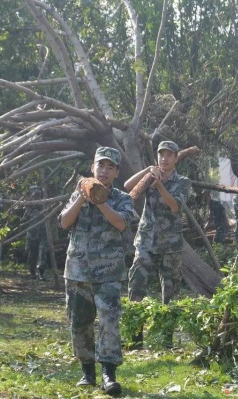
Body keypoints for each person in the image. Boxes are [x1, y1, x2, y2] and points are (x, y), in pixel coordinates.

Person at [59, 147, 135, 396]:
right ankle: (87, 372)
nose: (104, 170)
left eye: (109, 167)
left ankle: (108, 374)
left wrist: (101, 201)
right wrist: (84, 196)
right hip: (78, 271)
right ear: (92, 167)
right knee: (79, 323)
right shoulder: (77, 193)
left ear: (116, 172)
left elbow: (122, 223)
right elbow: (64, 222)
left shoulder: (122, 198)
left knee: (109, 322)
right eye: (100, 165)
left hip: (109, 273)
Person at [125, 140, 191, 349]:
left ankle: (166, 341)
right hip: (146, 241)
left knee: (170, 293)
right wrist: (147, 171)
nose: (164, 158)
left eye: (169, 155)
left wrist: (160, 185)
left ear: (175, 158)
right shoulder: (150, 176)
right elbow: (128, 187)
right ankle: (135, 340)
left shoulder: (183, 181)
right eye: (161, 154)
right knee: (136, 285)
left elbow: (175, 206)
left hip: (170, 244)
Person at [25, 185, 48, 280]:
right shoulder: (29, 204)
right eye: (34, 192)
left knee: (42, 252)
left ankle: (41, 273)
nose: (36, 194)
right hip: (32, 231)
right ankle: (32, 272)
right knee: (32, 253)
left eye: (38, 192)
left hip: (42, 231)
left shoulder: (44, 203)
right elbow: (26, 215)